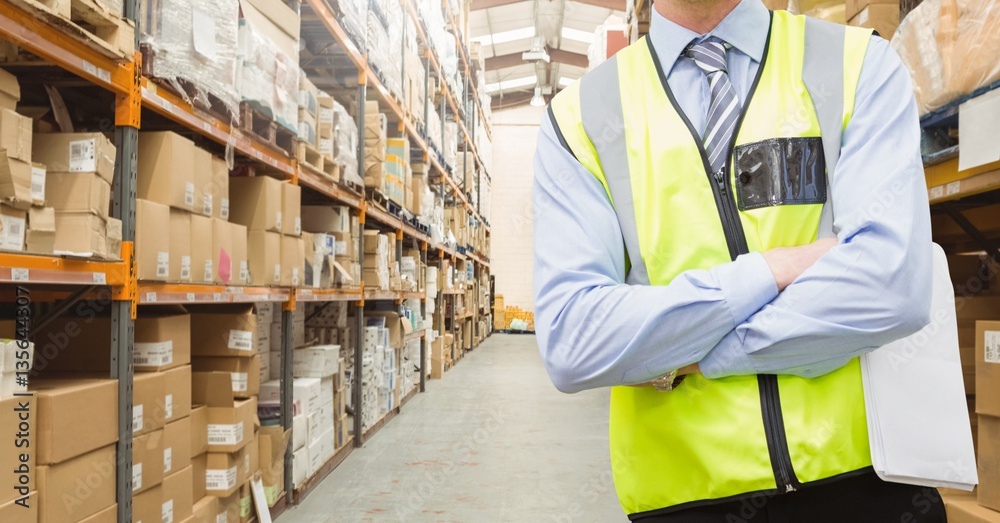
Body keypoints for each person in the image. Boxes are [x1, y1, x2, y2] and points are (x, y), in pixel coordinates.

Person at [532, 0, 939, 521]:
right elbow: (576, 340)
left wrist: (692, 355)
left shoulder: (858, 64)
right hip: (685, 499)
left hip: (871, 479)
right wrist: (772, 270)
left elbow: (893, 287)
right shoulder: (581, 118)